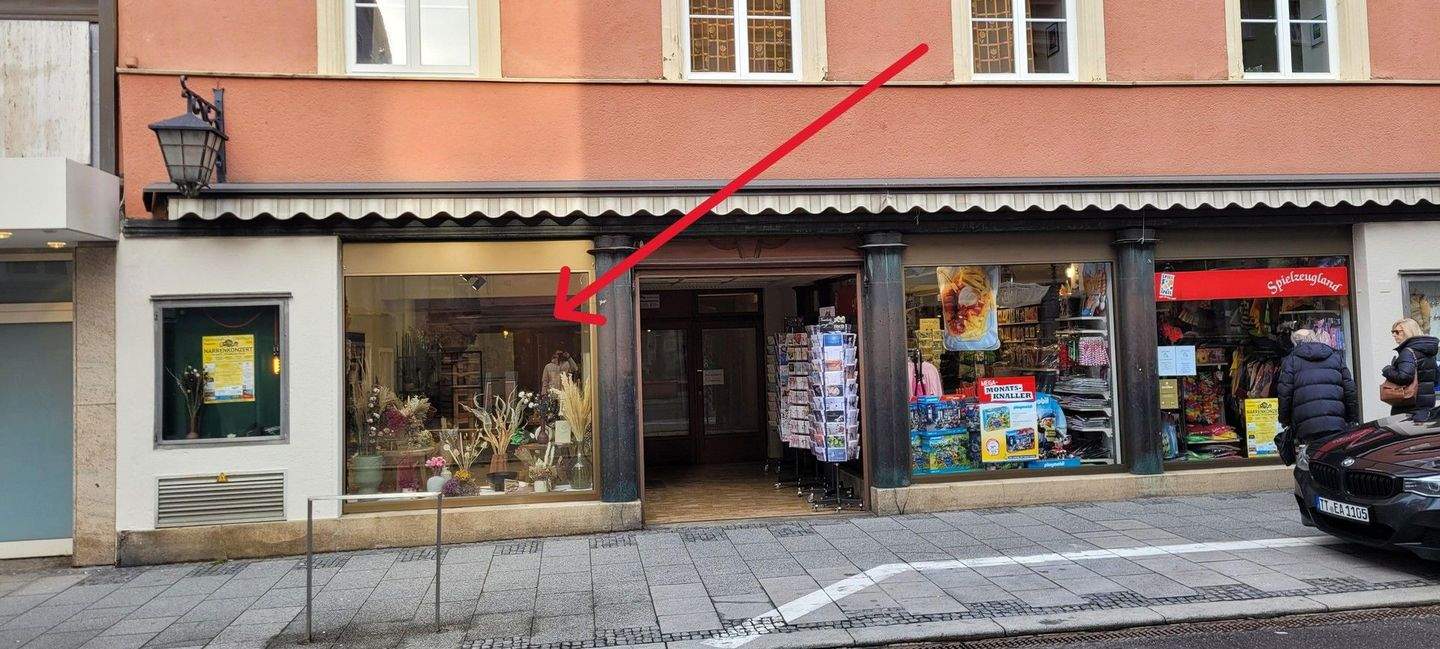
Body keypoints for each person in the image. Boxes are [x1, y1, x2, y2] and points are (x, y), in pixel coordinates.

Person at [1276, 329, 1359, 450]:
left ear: (1295, 342)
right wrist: (1352, 418)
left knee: (1311, 455)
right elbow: (1350, 390)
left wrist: (1285, 420)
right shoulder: (1336, 357)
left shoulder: (1291, 361)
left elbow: (1285, 394)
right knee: (1334, 454)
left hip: (1306, 424)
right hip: (1336, 422)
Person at [1382, 318, 1439, 419]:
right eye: (1392, 332)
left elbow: (1404, 377)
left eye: (1397, 332)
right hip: (1427, 407)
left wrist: (1387, 370)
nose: (1394, 335)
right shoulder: (1428, 353)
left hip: (1408, 406)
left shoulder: (1407, 352)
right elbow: (1436, 378)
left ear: (1408, 331)